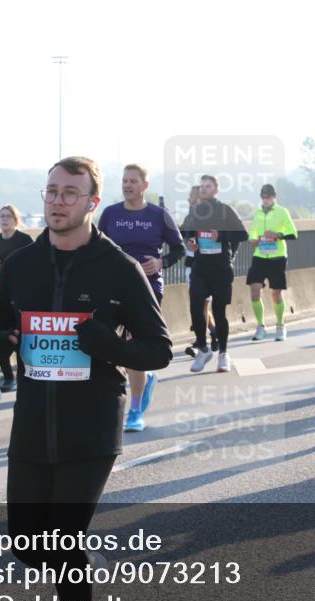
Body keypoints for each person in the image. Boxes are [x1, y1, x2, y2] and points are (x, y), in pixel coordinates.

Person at [0, 156, 171, 601]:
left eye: (70, 193)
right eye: (51, 191)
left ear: (92, 203)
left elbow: (158, 350)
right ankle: (82, 562)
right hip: (33, 421)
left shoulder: (118, 268)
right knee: (25, 542)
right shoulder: (20, 265)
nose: (57, 201)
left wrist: (107, 344)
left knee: (63, 536)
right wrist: (0, 345)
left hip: (92, 422)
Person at [98, 164, 184, 432]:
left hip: (148, 288)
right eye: (124, 180)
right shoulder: (110, 214)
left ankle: (134, 411)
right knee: (111, 346)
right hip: (113, 288)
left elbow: (179, 249)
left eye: (133, 181)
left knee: (134, 344)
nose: (127, 185)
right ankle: (145, 378)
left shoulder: (159, 215)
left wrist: (161, 263)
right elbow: (97, 246)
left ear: (144, 186)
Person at [182, 175, 249, 373]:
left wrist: (221, 236)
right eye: (201, 186)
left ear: (216, 190)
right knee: (196, 306)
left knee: (219, 312)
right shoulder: (196, 211)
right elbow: (185, 231)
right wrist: (190, 241)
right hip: (200, 265)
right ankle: (203, 349)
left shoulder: (224, 210)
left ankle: (223, 354)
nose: (203, 189)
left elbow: (242, 235)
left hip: (220, 267)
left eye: (208, 186)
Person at [0, 204, 34, 391]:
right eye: (2, 216)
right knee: (1, 334)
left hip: (23, 293)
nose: (4, 219)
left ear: (16, 220)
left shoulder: (25, 240)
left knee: (22, 335)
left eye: (8, 216)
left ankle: (27, 374)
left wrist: (4, 265)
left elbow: (34, 263)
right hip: (1, 294)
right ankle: (8, 377)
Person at [246, 184, 297, 342]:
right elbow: (253, 231)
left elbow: (293, 233)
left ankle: (280, 326)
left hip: (277, 257)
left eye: (268, 197)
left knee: (276, 293)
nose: (266, 200)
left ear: (274, 197)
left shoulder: (282, 212)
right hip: (259, 256)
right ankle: (260, 327)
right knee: (254, 290)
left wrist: (278, 235)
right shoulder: (258, 212)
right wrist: (252, 240)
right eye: (263, 197)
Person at [182, 185, 218, 358]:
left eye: (193, 196)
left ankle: (199, 343)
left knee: (201, 306)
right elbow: (182, 234)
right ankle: (215, 334)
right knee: (203, 307)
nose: (190, 198)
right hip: (191, 265)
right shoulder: (190, 216)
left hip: (205, 267)